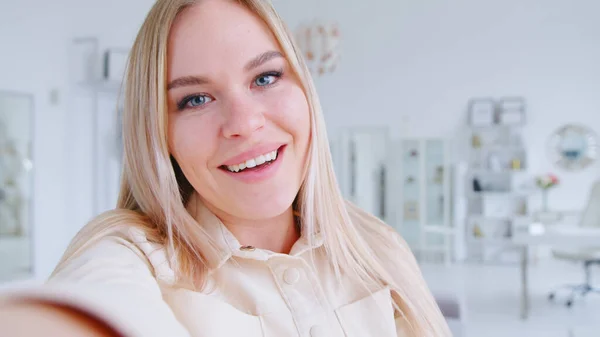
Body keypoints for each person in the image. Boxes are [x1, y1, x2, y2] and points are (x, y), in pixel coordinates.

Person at [0, 0, 450, 336]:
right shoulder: (128, 253)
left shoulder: (377, 245)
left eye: (265, 77)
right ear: (159, 133)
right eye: (195, 99)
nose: (244, 123)